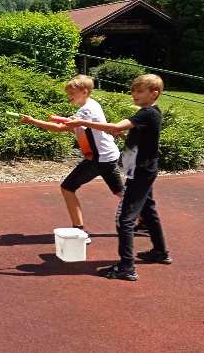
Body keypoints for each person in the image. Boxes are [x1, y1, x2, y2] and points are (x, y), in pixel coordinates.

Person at [65, 74, 171, 281]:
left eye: (139, 91)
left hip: (141, 172)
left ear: (154, 93)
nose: (134, 95)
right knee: (148, 211)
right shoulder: (149, 113)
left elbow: (115, 126)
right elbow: (132, 135)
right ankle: (160, 252)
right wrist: (123, 136)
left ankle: (126, 267)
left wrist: (82, 122)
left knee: (125, 219)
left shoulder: (147, 113)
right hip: (143, 170)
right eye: (133, 91)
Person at [20, 75, 124, 244]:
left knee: (68, 187)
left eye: (72, 93)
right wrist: (69, 122)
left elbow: (59, 128)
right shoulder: (91, 104)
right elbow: (77, 127)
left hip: (100, 158)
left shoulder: (86, 111)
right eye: (68, 93)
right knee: (119, 192)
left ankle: (79, 230)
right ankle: (145, 218)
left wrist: (32, 121)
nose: (69, 96)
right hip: (106, 156)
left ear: (84, 92)